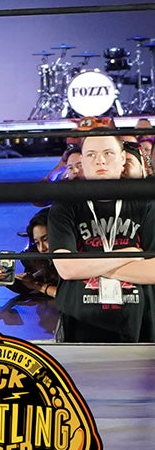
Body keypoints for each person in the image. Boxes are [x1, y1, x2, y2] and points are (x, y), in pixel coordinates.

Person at [46, 130, 155, 342]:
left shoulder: (147, 203)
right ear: (83, 161)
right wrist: (127, 255)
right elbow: (67, 268)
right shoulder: (65, 206)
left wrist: (93, 265)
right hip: (80, 321)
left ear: (122, 158)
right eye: (91, 155)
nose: (100, 161)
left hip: (139, 322)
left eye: (108, 153)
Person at [0, 210, 59, 301]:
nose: (42, 248)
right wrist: (5, 279)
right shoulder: (35, 258)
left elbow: (72, 297)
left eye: (46, 239)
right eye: (37, 242)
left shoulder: (79, 256)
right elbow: (28, 285)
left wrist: (39, 287)